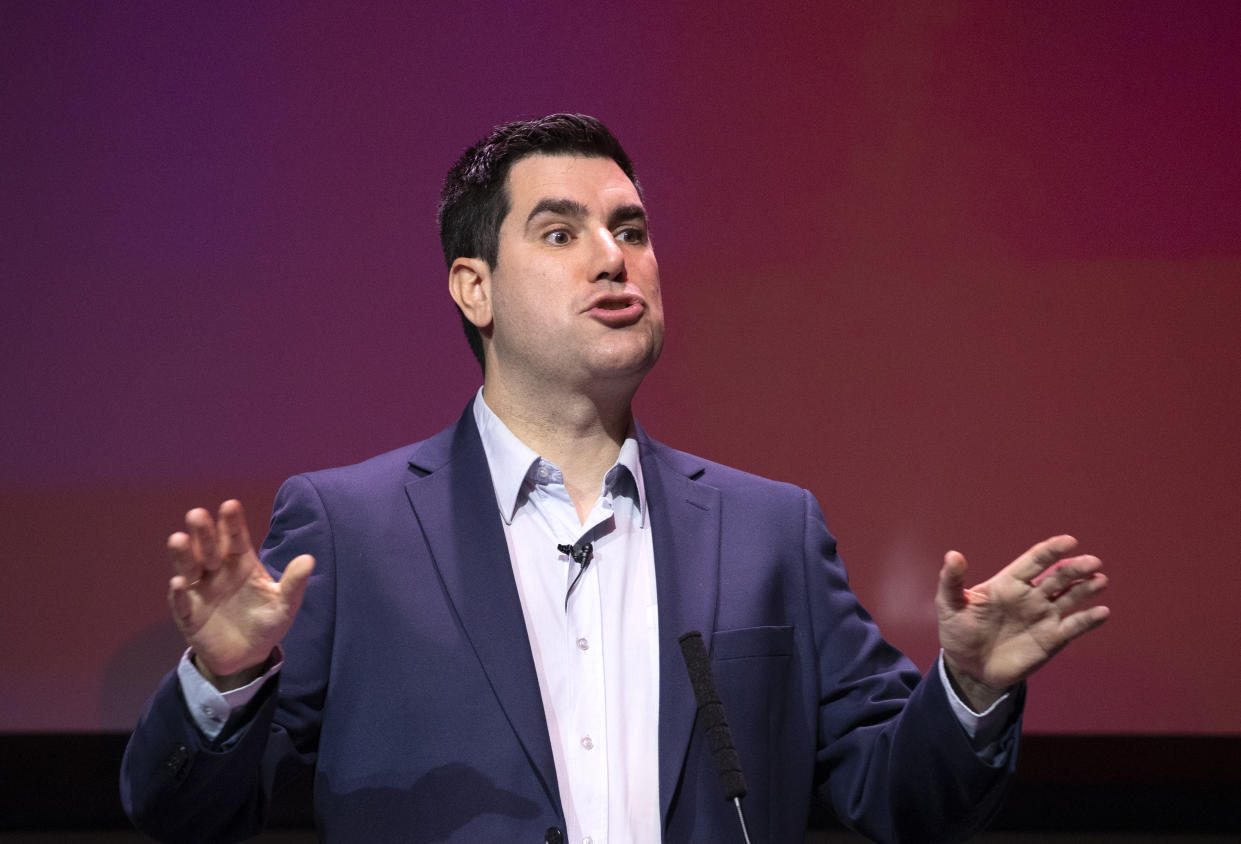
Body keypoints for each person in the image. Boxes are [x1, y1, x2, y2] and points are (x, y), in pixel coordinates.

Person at [120, 114, 1110, 844]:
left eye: (630, 230)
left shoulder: (767, 531)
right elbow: (179, 816)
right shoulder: (351, 528)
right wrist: (224, 681)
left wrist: (970, 689)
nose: (612, 257)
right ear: (474, 288)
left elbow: (905, 800)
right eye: (559, 234)